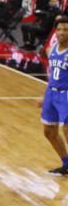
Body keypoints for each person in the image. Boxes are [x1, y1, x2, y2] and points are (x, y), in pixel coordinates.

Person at [40, 17, 68, 176]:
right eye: (59, 29)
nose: (61, 32)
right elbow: (53, 75)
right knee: (49, 132)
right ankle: (66, 164)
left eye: (65, 29)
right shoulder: (51, 49)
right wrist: (46, 95)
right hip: (52, 93)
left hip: (66, 94)